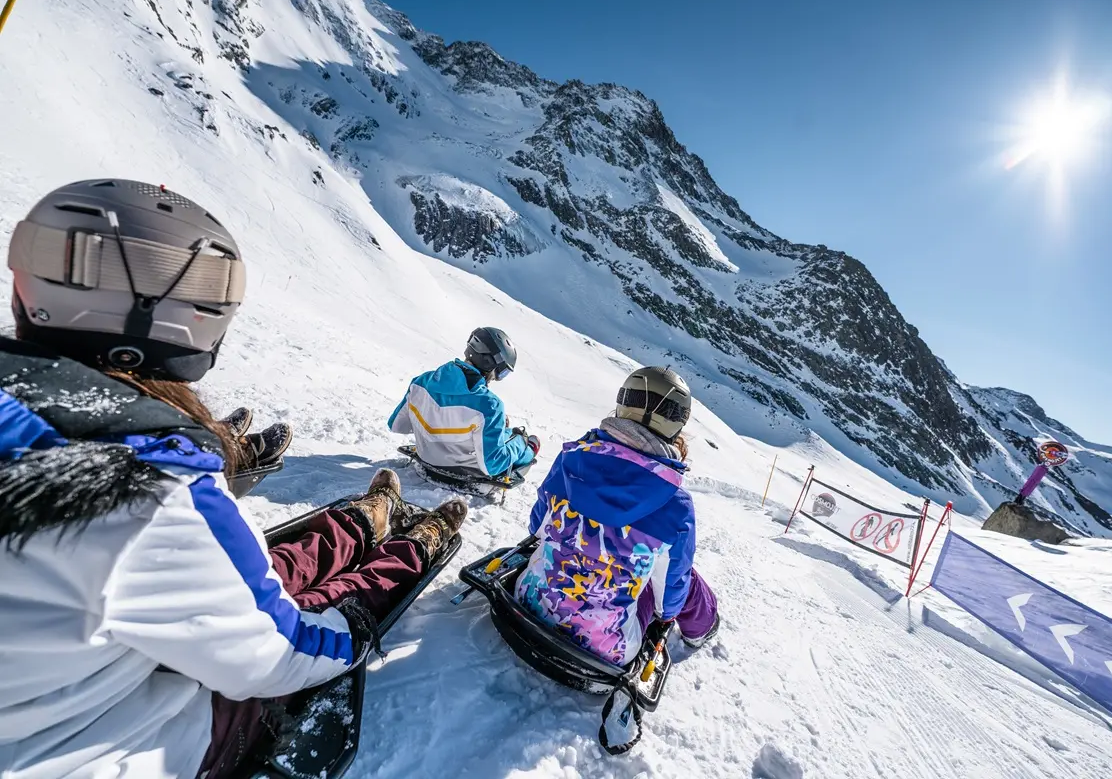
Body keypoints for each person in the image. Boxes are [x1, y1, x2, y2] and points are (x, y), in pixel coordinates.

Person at [0, 179, 467, 779]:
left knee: (250, 577)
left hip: (73, 676)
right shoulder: (147, 486)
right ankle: (406, 543)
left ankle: (361, 522)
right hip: (115, 744)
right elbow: (273, 656)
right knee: (301, 611)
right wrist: (353, 628)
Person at [515, 366, 719, 667]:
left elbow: (537, 528)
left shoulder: (570, 459)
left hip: (530, 602)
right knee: (683, 575)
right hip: (606, 647)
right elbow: (668, 602)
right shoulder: (676, 505)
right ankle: (700, 628)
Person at [388, 326, 539, 479]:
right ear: (489, 363)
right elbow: (493, 464)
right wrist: (521, 442)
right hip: (464, 473)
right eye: (501, 372)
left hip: (425, 460)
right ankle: (529, 448)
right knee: (517, 439)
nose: (496, 378)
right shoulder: (490, 405)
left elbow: (396, 425)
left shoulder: (420, 382)